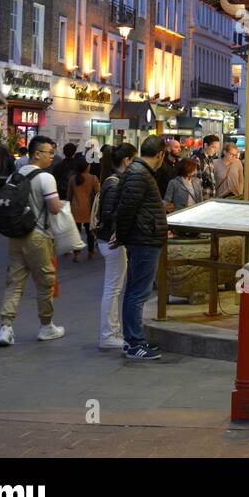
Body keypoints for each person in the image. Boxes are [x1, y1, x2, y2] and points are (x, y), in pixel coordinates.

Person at [0, 135, 65, 347]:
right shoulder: (46, 178)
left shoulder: (13, 176)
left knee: (14, 282)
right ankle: (46, 326)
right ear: (37, 154)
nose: (52, 157)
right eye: (49, 153)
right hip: (37, 237)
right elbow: (54, 208)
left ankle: (6, 327)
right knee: (45, 282)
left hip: (15, 235)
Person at [114, 135, 170, 361]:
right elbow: (127, 207)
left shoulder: (139, 172)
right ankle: (135, 342)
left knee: (135, 290)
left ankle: (132, 341)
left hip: (142, 237)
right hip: (143, 240)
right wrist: (123, 236)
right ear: (160, 155)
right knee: (138, 292)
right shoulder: (140, 174)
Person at [94, 143, 136, 350]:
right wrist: (118, 233)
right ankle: (108, 334)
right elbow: (110, 213)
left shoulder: (113, 180)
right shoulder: (114, 183)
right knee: (112, 289)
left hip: (110, 240)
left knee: (114, 288)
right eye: (133, 160)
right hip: (111, 241)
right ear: (127, 160)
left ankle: (112, 331)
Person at [67, 157, 101, 261]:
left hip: (75, 209)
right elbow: (98, 194)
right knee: (89, 232)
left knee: (76, 233)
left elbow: (69, 196)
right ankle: (90, 252)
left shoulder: (72, 178)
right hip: (89, 209)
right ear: (87, 167)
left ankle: (76, 254)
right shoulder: (93, 178)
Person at [195, 134, 221, 200]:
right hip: (202, 200)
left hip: (210, 198)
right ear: (206, 145)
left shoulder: (210, 159)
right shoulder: (197, 159)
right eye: (213, 147)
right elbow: (197, 184)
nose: (216, 150)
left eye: (217, 148)